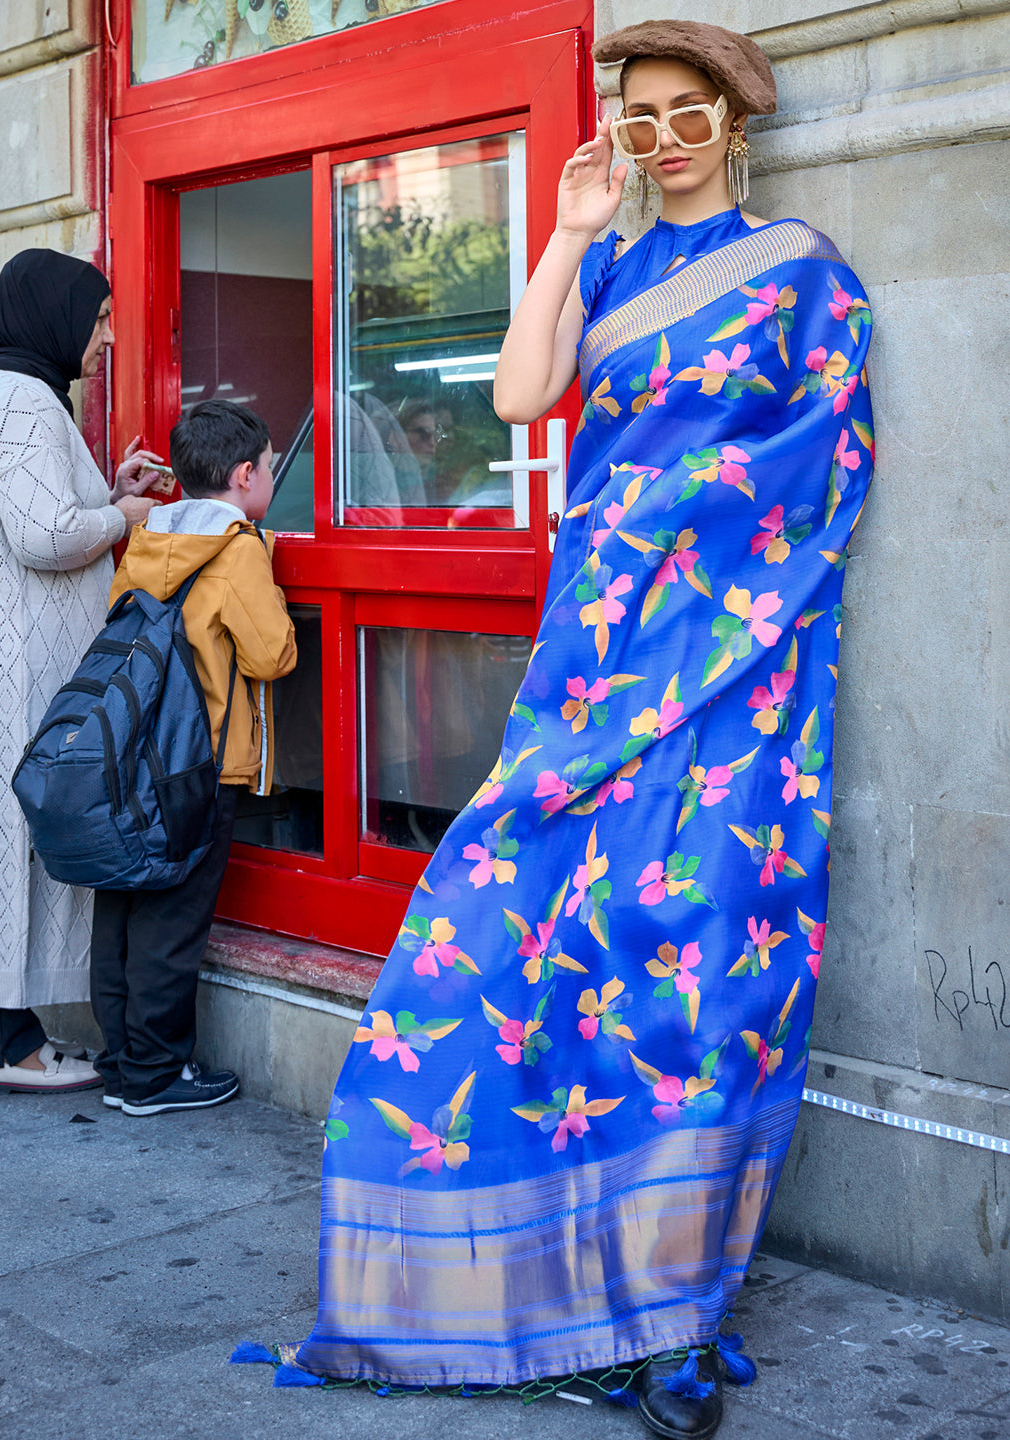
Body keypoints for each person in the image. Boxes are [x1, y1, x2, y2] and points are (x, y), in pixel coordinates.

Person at [277, 20, 873, 1440]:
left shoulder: (803, 276)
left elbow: (823, 470)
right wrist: (561, 233)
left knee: (698, 967)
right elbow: (520, 397)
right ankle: (491, 1279)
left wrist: (676, 532)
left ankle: (664, 1309)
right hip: (589, 674)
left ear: (737, 127)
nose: (663, 141)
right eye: (642, 116)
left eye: (689, 117)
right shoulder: (607, 262)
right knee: (509, 940)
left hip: (729, 684)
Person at [0, 249, 161, 1095]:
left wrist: (110, 489)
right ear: (55, 314)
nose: (109, 335)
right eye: (101, 316)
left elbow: (35, 511)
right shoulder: (25, 402)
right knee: (12, 844)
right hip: (15, 675)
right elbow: (43, 538)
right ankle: (4, 1045)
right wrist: (124, 513)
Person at [90, 399, 297, 1117]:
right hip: (200, 763)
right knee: (174, 921)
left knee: (121, 907)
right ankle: (153, 1074)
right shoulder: (238, 548)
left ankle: (120, 1060)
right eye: (270, 467)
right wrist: (266, 564)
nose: (270, 477)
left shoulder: (150, 538)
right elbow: (272, 654)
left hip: (136, 758)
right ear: (246, 475)